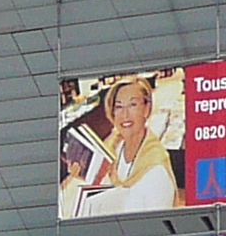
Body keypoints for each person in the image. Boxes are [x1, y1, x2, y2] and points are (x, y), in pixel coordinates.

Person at [60, 76, 182, 218]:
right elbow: (106, 189)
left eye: (133, 105)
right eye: (118, 107)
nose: (125, 115)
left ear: (147, 109)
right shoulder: (115, 147)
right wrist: (84, 173)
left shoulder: (157, 171)